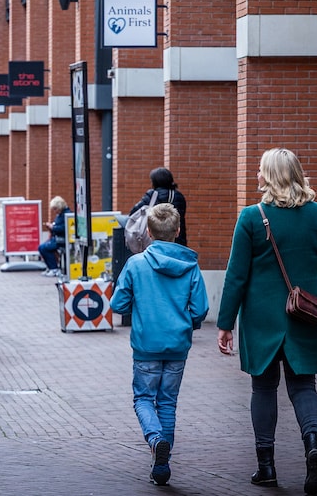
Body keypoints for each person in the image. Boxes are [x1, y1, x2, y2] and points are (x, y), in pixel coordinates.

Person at [217, 147, 317, 495]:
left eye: (260, 170)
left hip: (262, 320)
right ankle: (313, 443)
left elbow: (236, 276)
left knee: (263, 388)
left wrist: (225, 323)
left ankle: (266, 467)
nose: (256, 175)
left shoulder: (252, 217)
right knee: (304, 387)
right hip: (304, 315)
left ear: (271, 176)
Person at [111, 203, 210, 486]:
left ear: (149, 233)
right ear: (178, 231)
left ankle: (155, 440)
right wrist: (187, 321)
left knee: (143, 398)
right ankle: (162, 465)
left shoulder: (136, 264)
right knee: (167, 402)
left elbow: (118, 303)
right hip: (178, 346)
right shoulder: (190, 265)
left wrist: (139, 304)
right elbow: (200, 308)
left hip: (146, 346)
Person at [130, 167, 188, 246]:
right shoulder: (178, 196)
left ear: (155, 181)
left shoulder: (152, 195)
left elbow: (134, 212)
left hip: (154, 239)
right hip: (176, 239)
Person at [39, 196, 70, 277]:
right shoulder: (60, 215)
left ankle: (54, 268)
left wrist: (53, 227)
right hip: (57, 238)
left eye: (55, 209)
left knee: (45, 248)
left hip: (62, 239)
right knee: (42, 247)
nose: (54, 211)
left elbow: (65, 228)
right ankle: (51, 267)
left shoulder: (66, 214)